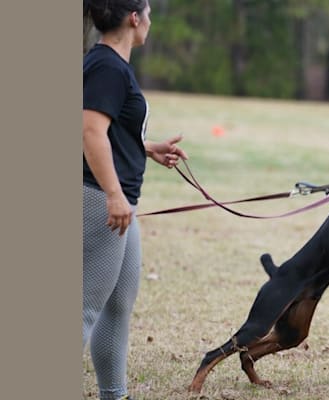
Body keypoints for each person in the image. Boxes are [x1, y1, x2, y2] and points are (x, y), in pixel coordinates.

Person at [82, 1, 188, 399]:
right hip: (99, 200)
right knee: (84, 308)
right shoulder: (107, 66)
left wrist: (145, 147)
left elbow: (110, 129)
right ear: (134, 18)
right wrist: (112, 194)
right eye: (148, 12)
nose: (150, 21)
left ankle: (114, 394)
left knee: (116, 306)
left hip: (118, 201)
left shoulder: (111, 65)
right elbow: (90, 131)